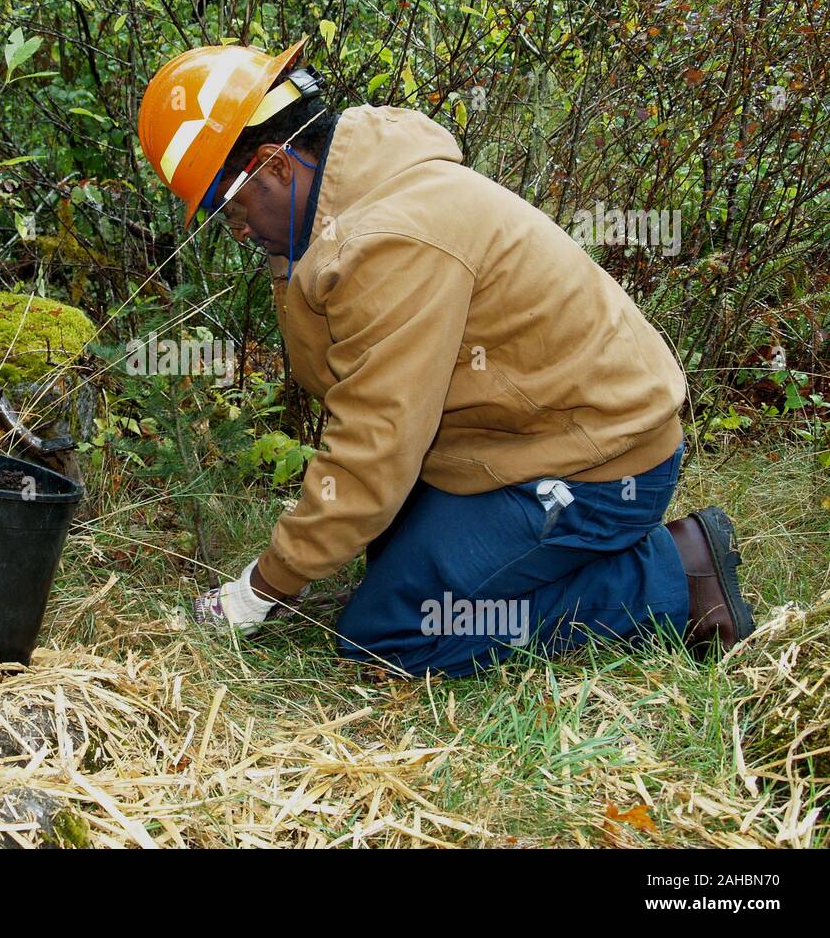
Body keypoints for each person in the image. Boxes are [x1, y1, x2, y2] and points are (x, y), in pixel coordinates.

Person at [135, 38, 755, 678]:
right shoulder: (351, 203)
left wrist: (265, 586)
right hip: (518, 440)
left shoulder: (389, 238)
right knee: (393, 567)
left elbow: (377, 437)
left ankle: (675, 576)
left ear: (276, 165)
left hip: (597, 465)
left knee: (392, 633)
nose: (234, 230)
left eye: (225, 207)